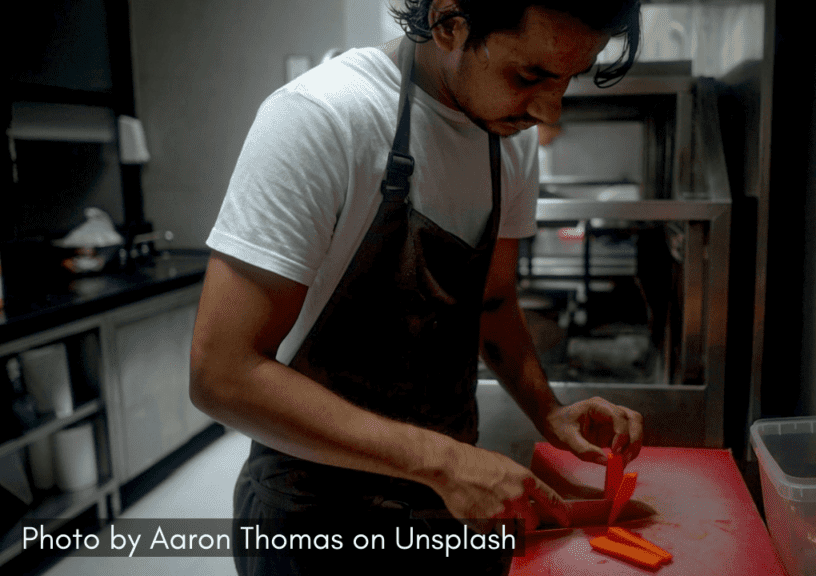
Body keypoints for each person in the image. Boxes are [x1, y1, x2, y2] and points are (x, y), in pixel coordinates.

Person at [189, 1, 643, 573]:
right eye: (529, 75)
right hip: (315, 515)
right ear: (449, 22)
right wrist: (444, 463)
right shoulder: (321, 117)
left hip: (450, 507)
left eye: (568, 80)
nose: (549, 109)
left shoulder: (510, 138)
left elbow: (494, 302)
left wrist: (548, 412)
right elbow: (221, 373)